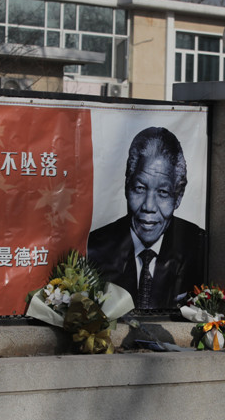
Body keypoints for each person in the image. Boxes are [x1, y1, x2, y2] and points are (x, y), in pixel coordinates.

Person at [88, 127, 206, 310]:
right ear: (127, 187)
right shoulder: (95, 246)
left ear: (179, 196)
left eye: (163, 192)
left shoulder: (198, 246)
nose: (149, 207)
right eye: (140, 189)